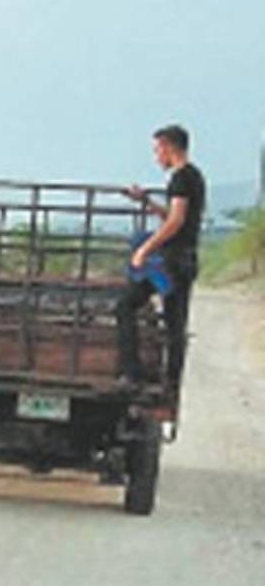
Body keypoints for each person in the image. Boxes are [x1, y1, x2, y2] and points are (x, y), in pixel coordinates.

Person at [118, 124, 205, 393]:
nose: (157, 156)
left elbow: (176, 222)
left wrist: (144, 250)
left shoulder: (180, 178)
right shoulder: (194, 177)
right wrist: (146, 201)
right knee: (175, 322)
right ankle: (171, 382)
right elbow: (176, 216)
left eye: (158, 150)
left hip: (172, 263)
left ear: (169, 147)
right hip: (185, 260)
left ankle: (132, 373)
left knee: (125, 306)